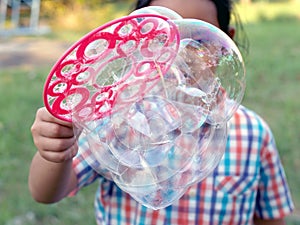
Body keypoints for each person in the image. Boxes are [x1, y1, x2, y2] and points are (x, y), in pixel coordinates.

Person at [28, 0, 294, 224]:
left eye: (197, 41)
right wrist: (55, 150)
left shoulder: (253, 133)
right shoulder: (115, 121)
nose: (179, 55)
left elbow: (271, 218)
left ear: (225, 44)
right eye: (161, 39)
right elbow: (46, 192)